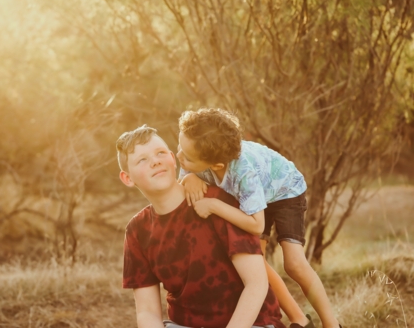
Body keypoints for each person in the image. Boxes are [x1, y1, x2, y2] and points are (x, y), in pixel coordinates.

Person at [176, 108, 341, 328]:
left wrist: (214, 205)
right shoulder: (199, 159)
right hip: (253, 198)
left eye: (186, 157)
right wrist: (188, 178)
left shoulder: (243, 172)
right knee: (257, 263)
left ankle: (333, 325)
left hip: (283, 191)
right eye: (180, 147)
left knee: (294, 264)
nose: (179, 157)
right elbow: (181, 184)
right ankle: (299, 320)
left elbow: (256, 224)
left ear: (216, 165)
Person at [117, 125, 286, 328]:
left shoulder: (217, 204)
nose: (155, 161)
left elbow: (256, 284)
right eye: (142, 160)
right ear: (127, 178)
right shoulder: (137, 230)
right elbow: (147, 312)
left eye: (160, 153)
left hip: (251, 323)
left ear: (173, 158)